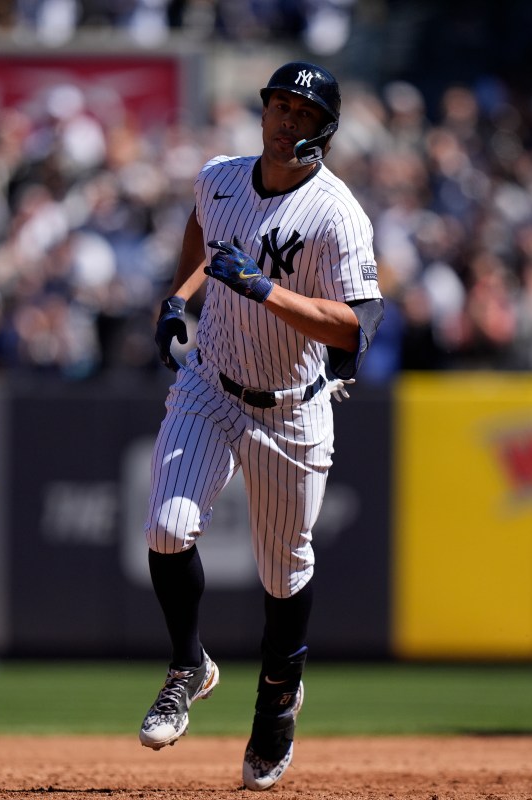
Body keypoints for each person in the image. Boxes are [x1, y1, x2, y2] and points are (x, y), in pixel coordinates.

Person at [138, 61, 384, 790]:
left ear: (325, 131)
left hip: (291, 403)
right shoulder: (220, 176)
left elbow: (357, 327)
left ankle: (278, 698)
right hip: (210, 383)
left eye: (303, 113)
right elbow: (202, 229)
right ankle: (189, 664)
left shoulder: (337, 214)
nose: (285, 120)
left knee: (284, 570)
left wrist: (267, 291)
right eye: (279, 105)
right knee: (165, 526)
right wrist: (178, 299)